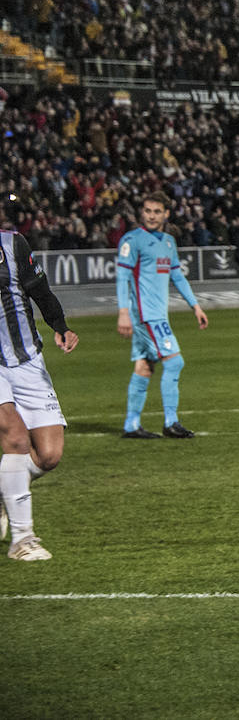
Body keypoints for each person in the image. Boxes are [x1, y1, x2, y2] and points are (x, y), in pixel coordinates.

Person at [0, 229, 79, 560]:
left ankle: (5, 488)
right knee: (16, 440)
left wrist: (60, 325)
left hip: (28, 360)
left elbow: (39, 290)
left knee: (49, 455)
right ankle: (23, 539)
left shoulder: (12, 243)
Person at [116, 192, 209, 439]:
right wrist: (123, 312)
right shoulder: (132, 240)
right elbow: (123, 277)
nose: (151, 216)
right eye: (147, 211)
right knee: (175, 362)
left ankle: (131, 425)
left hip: (158, 314)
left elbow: (177, 275)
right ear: (141, 212)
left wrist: (195, 306)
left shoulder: (168, 241)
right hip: (146, 315)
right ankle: (171, 423)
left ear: (166, 214)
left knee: (145, 367)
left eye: (157, 211)